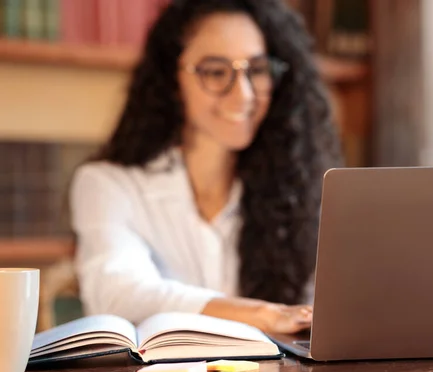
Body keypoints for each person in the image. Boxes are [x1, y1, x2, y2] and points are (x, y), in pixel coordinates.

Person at [69, 0, 341, 334]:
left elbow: (324, 307)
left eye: (256, 70)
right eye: (215, 71)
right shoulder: (107, 184)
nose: (243, 95)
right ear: (171, 81)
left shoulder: (298, 187)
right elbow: (119, 295)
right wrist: (263, 314)